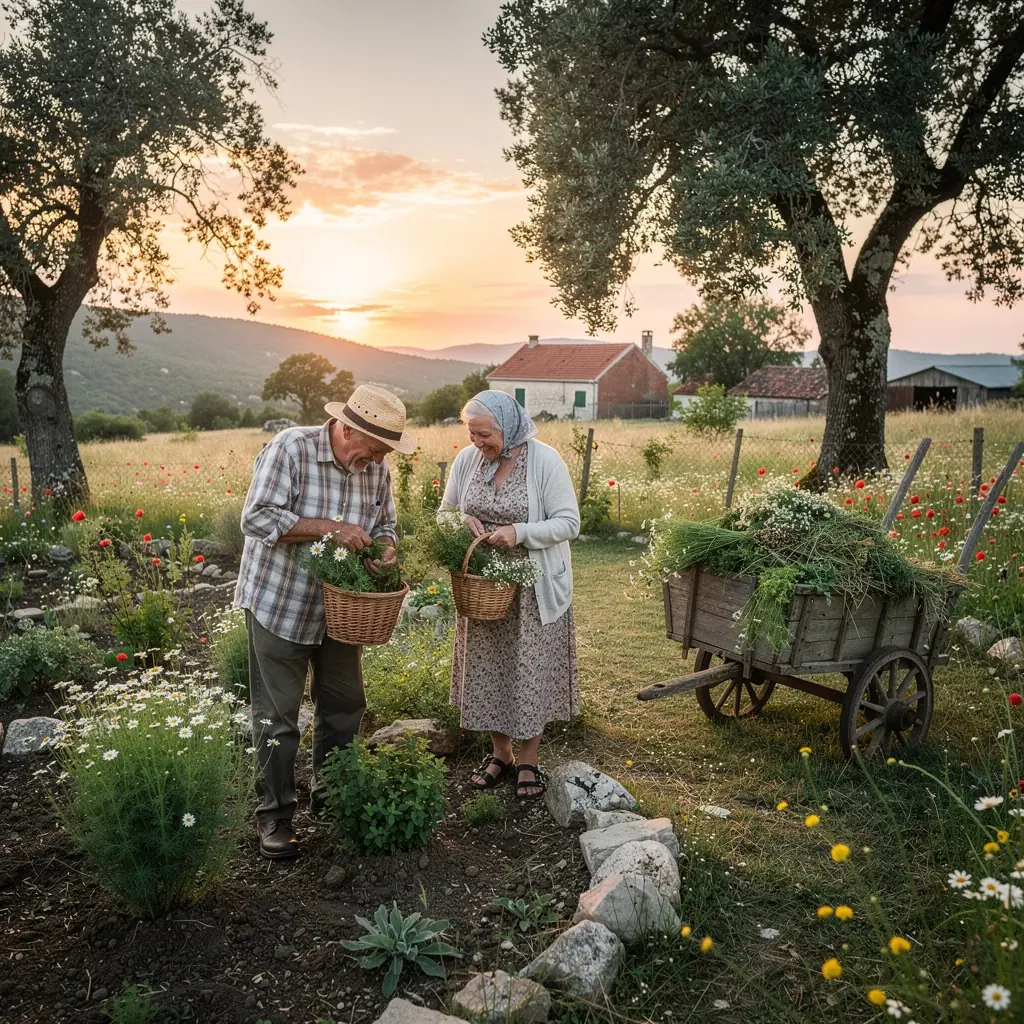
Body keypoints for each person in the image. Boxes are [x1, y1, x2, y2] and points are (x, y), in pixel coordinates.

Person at [234, 384, 415, 859]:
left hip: (342, 611)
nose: (378, 459)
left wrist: (385, 550)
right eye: (375, 448)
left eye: (385, 452)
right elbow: (255, 520)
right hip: (280, 603)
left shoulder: (375, 470)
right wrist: (330, 527)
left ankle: (330, 793)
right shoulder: (291, 449)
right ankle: (275, 815)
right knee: (278, 718)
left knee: (345, 703)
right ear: (349, 429)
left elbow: (384, 526)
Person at [439, 390, 580, 798]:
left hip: (533, 587)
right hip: (483, 585)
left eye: (485, 435)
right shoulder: (467, 461)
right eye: (472, 435)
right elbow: (444, 512)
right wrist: (460, 520)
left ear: (509, 426)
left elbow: (569, 523)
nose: (478, 443)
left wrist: (519, 533)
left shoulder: (544, 460)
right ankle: (500, 754)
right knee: (488, 669)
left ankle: (530, 760)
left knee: (528, 670)